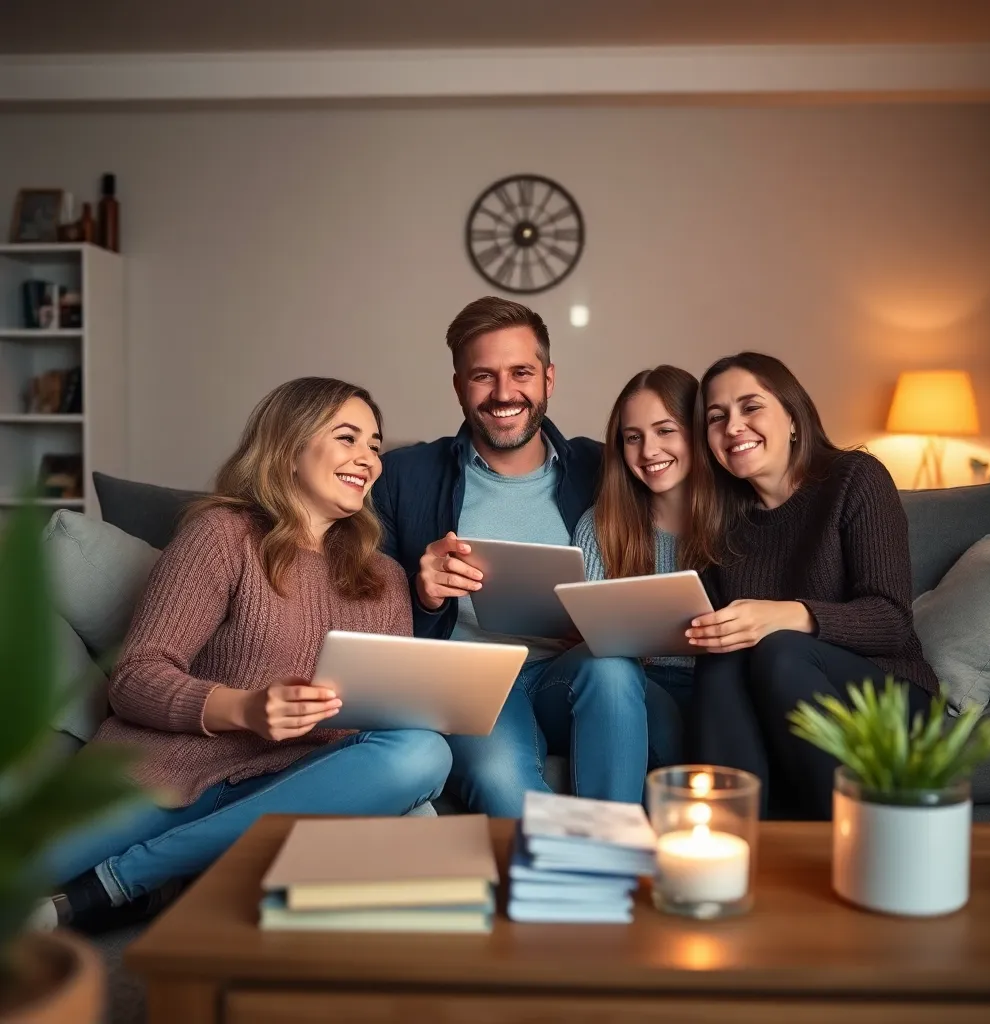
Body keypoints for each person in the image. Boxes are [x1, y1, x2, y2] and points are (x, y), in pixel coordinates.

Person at [40, 377, 452, 933]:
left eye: (375, 446)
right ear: (289, 447)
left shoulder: (383, 578)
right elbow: (135, 677)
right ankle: (178, 876)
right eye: (348, 438)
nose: (369, 460)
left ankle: (122, 881)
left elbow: (379, 727)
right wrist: (246, 709)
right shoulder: (221, 535)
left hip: (292, 790)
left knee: (424, 753)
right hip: (162, 774)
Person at [375, 296, 654, 814]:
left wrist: (605, 621)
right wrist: (422, 595)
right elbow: (363, 616)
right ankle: (576, 879)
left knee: (613, 669)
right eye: (483, 376)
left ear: (548, 379)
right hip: (469, 679)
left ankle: (616, 853)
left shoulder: (603, 469)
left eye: (520, 372)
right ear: (458, 385)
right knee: (500, 775)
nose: (504, 393)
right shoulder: (402, 477)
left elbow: (678, 525)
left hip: (565, 675)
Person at [682, 352, 938, 820]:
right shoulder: (721, 523)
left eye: (750, 407)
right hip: (778, 691)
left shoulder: (855, 479)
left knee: (780, 647)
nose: (733, 426)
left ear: (794, 419)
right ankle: (731, 840)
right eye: (717, 418)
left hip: (888, 693)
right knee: (720, 664)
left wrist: (787, 615)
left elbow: (891, 622)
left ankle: (848, 836)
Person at [572, 365, 700, 770]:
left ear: (697, 431)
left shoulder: (738, 524)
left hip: (718, 685)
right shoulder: (600, 525)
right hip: (635, 685)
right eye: (633, 437)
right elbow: (589, 635)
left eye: (666, 430)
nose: (648, 451)